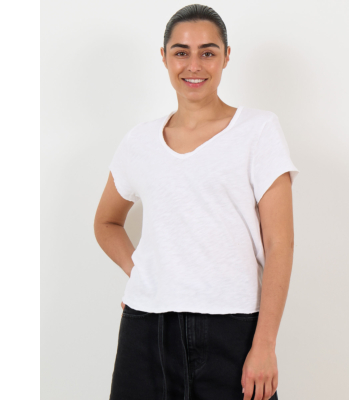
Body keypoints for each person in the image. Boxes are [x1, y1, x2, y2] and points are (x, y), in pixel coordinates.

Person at [94, 4, 299, 400]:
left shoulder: (258, 131)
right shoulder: (139, 141)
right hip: (146, 328)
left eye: (207, 52)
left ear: (226, 56)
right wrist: (139, 273)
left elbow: (280, 244)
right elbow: (106, 222)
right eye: (181, 52)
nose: (194, 65)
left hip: (232, 327)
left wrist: (265, 344)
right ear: (164, 57)